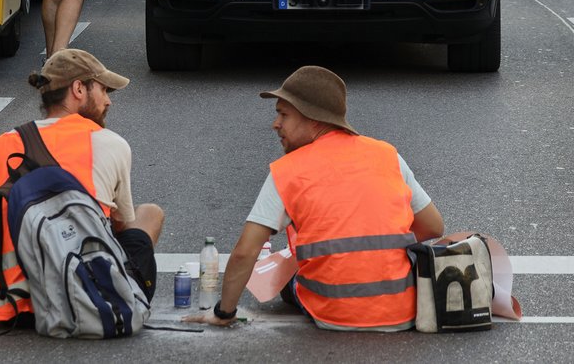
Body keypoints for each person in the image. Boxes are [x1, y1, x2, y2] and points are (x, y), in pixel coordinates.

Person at [186, 65, 444, 331]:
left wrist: (224, 312)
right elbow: (433, 226)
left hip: (332, 313)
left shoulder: (288, 170)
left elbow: (245, 253)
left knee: (289, 273)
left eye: (283, 114)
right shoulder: (388, 155)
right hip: (401, 312)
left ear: (314, 119)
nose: (275, 124)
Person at [0, 49, 164, 322]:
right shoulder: (109, 143)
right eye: (103, 90)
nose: (108, 101)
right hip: (85, 303)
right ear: (78, 88)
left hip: (9, 307)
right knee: (149, 214)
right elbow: (121, 227)